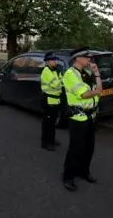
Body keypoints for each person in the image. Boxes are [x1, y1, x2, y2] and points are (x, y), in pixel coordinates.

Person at [62, 47, 104, 192]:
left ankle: (84, 171)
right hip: (78, 117)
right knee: (75, 149)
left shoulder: (87, 73)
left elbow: (100, 89)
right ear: (77, 58)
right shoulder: (70, 74)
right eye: (86, 57)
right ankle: (68, 176)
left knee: (89, 147)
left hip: (90, 116)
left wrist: (97, 73)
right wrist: (97, 91)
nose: (89, 59)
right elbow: (84, 94)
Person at [40, 52, 63, 151]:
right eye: (53, 60)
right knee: (48, 122)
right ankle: (46, 143)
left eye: (55, 60)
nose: (55, 62)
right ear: (47, 62)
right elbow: (57, 84)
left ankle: (52, 139)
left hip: (55, 100)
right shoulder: (46, 71)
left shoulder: (55, 70)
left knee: (52, 122)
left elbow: (61, 81)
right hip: (48, 100)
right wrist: (62, 80)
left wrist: (61, 76)